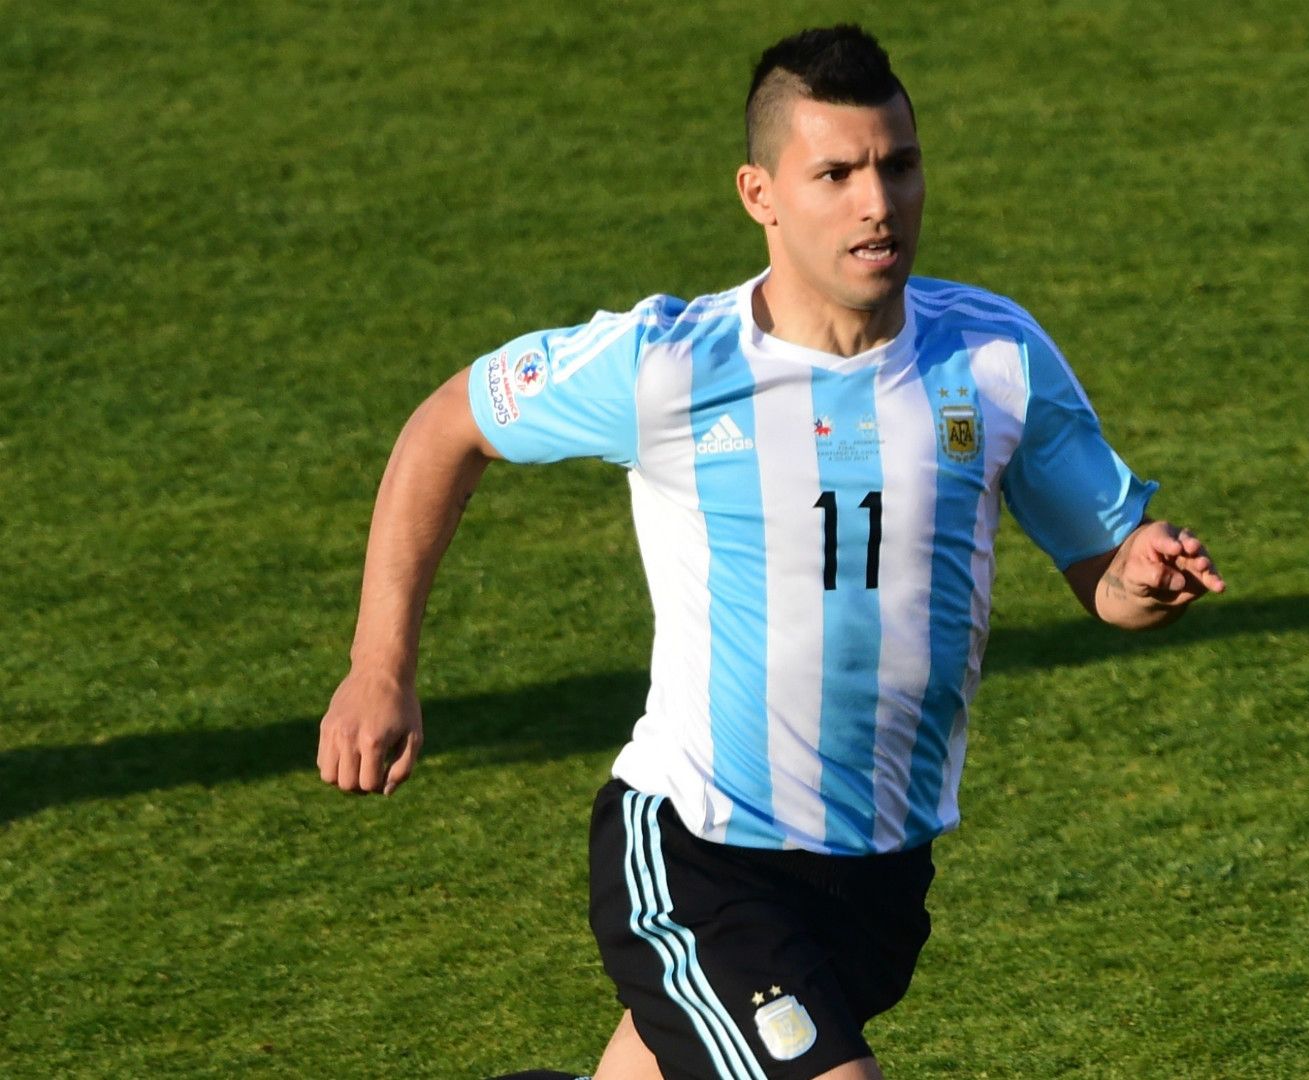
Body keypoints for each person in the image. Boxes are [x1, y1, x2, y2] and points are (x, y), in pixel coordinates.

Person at [317, 23, 1225, 1080]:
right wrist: (381, 669)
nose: (877, 203)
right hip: (701, 850)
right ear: (762, 195)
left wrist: (1143, 577)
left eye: (898, 165)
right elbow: (448, 427)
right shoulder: (668, 364)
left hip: (879, 880)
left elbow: (1104, 580)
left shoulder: (994, 357)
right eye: (835, 173)